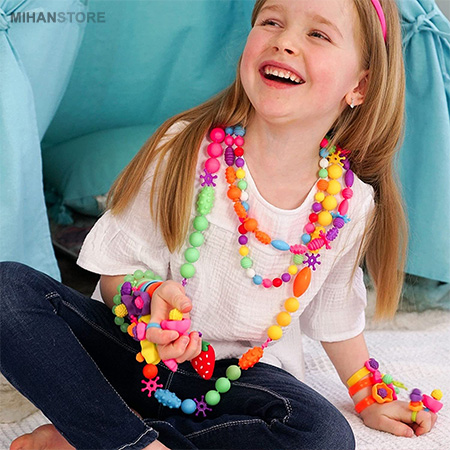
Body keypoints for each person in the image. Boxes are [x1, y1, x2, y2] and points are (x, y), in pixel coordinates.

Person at [0, 0, 439, 449]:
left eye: (318, 34)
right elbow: (115, 272)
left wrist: (367, 394)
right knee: (6, 290)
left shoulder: (348, 203)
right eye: (272, 21)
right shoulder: (182, 150)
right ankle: (126, 437)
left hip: (235, 378)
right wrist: (148, 300)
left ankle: (107, 436)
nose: (285, 42)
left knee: (323, 435)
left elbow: (335, 312)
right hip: (132, 356)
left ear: (360, 86)